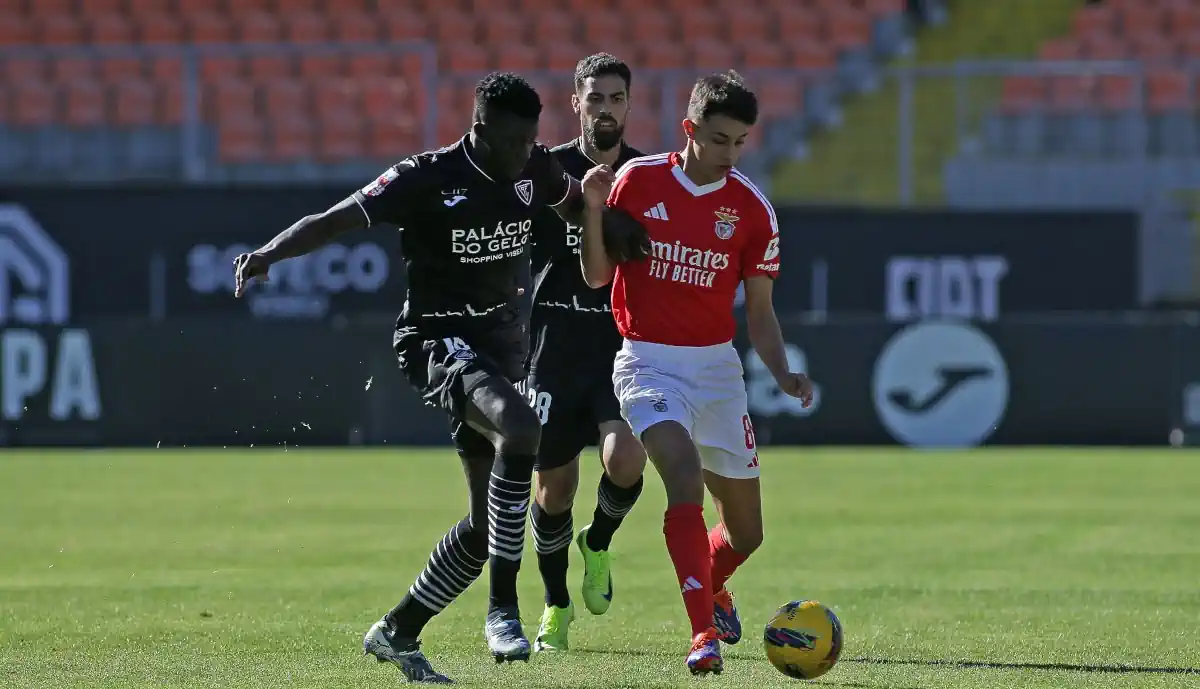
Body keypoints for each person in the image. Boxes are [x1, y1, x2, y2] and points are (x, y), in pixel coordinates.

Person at [231, 72, 648, 683]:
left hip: (503, 349)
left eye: (531, 142)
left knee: (485, 530)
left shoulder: (535, 168)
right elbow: (337, 218)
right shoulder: (424, 177)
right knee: (521, 426)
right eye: (510, 143)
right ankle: (503, 609)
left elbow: (575, 206)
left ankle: (397, 633)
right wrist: (269, 252)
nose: (521, 156)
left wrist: (624, 232)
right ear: (478, 131)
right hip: (435, 341)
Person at [577, 71, 814, 676]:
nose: (730, 154)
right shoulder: (637, 180)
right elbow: (598, 276)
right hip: (648, 360)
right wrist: (593, 211)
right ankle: (702, 634)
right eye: (718, 140)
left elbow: (759, 313)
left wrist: (783, 372)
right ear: (690, 130)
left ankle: (712, 584)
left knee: (747, 533)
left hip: (716, 372)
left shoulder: (752, 209)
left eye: (739, 143)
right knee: (680, 477)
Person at [523, 53, 648, 653]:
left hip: (620, 344)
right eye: (595, 98)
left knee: (625, 459)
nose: (606, 109)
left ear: (629, 104)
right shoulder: (548, 171)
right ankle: (555, 603)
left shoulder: (646, 176)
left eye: (616, 98)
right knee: (554, 490)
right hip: (552, 343)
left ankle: (596, 543)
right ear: (576, 104)